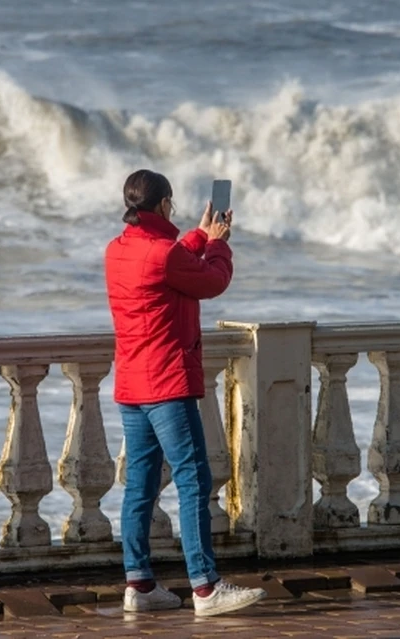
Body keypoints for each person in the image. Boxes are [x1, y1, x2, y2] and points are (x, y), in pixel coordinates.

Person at [105, 169, 267, 617]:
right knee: (194, 479)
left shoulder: (117, 251)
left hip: (132, 386)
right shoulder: (163, 255)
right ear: (161, 206)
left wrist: (198, 235)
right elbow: (211, 281)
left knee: (140, 487)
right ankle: (205, 587)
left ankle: (138, 584)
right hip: (167, 385)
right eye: (170, 204)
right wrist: (217, 243)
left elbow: (171, 264)